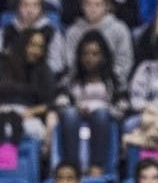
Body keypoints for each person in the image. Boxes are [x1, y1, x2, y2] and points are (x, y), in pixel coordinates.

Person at [53, 29, 128, 175]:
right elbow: (60, 101)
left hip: (105, 117)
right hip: (76, 115)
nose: (89, 58)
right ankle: (73, 166)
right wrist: (75, 108)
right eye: (85, 54)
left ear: (103, 56)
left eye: (95, 54)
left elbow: (124, 105)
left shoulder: (113, 78)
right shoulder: (71, 78)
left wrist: (107, 110)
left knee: (100, 114)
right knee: (69, 114)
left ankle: (97, 165)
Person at [49, 0, 134, 88]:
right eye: (88, 4)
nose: (93, 9)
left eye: (97, 4)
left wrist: (107, 82)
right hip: (80, 85)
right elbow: (70, 62)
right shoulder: (73, 31)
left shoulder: (120, 29)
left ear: (106, 6)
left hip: (112, 85)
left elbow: (124, 61)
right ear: (82, 5)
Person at [0, 27, 57, 147]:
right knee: (6, 124)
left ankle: (7, 163)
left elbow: (50, 103)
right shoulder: (3, 65)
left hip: (27, 115)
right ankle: (7, 163)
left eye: (40, 47)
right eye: (32, 45)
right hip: (2, 110)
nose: (36, 51)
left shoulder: (44, 71)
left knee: (10, 126)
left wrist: (31, 111)